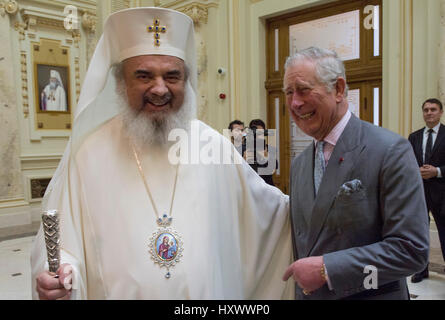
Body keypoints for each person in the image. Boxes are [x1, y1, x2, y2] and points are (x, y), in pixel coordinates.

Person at [31, 7, 293, 300]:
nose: (159, 89)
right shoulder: (89, 154)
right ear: (120, 83)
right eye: (143, 76)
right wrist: (63, 276)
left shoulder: (214, 146)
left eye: (172, 76)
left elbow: (272, 216)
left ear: (186, 81)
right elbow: (64, 248)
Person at [282, 47, 429, 300]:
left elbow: (411, 251)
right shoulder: (300, 164)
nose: (295, 102)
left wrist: (327, 269)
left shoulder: (390, 150)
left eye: (304, 89)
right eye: (288, 93)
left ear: (338, 89)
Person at [408, 98, 445, 283]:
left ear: (440, 112)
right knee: (419, 233)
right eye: (426, 110)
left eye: (433, 109)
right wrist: (418, 171)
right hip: (419, 193)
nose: (429, 112)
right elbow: (407, 163)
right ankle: (421, 270)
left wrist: (436, 171)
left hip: (442, 194)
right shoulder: (414, 137)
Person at [244, 119, 277, 186]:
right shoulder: (245, 149)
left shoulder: (268, 148)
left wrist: (266, 157)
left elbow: (274, 169)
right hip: (250, 187)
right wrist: (244, 160)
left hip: (267, 186)